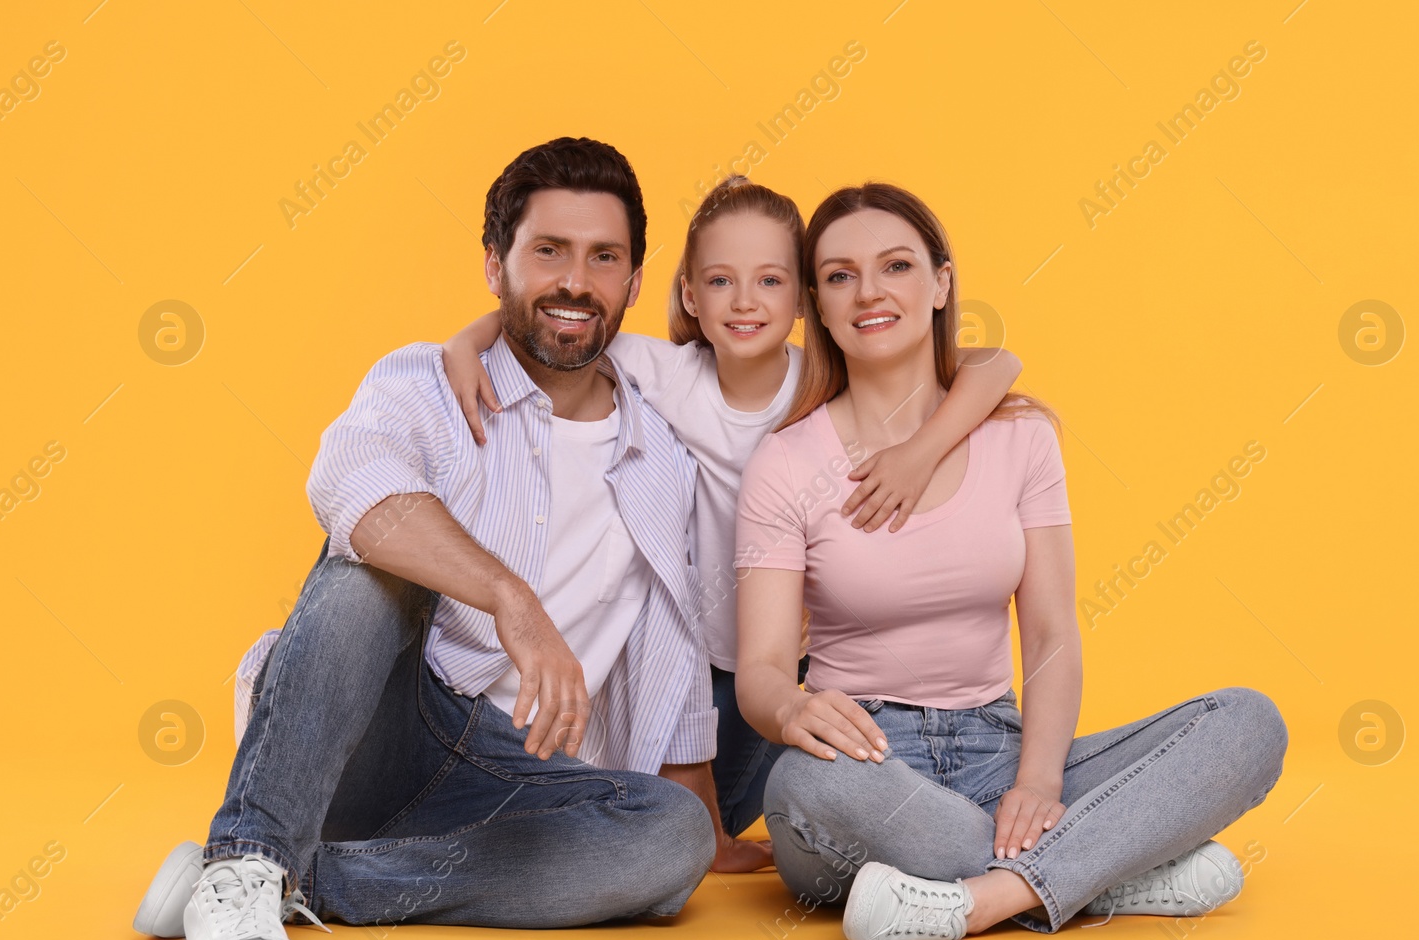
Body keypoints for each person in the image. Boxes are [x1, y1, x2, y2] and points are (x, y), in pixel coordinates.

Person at [132, 137, 729, 940]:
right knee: (375, 558)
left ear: (635, 282)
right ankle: (255, 854)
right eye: (548, 251)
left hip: (516, 781)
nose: (575, 280)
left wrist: (697, 792)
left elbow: (675, 630)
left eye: (604, 256)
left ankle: (281, 879)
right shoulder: (425, 382)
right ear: (496, 267)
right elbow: (349, 483)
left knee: (673, 840)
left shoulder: (664, 448)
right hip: (382, 730)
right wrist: (509, 599)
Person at [732, 182, 1290, 940]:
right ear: (817, 306)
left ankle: (978, 899)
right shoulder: (786, 462)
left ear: (940, 284)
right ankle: (1105, 874)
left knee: (1246, 722)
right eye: (838, 275)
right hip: (865, 764)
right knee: (799, 783)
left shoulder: (1019, 436)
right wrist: (791, 712)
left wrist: (1037, 782)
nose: (869, 292)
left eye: (896, 265)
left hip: (1001, 749)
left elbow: (1054, 630)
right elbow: (761, 668)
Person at [438, 176, 1022, 866]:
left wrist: (920, 452)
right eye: (720, 282)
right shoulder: (665, 371)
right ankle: (710, 829)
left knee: (816, 776)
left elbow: (997, 361)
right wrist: (464, 340)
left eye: (770, 281)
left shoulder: (824, 384)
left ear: (805, 300)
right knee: (701, 794)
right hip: (700, 659)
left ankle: (944, 832)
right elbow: (555, 320)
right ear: (689, 294)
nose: (745, 303)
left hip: (796, 660)